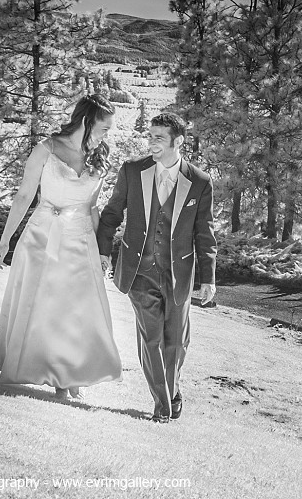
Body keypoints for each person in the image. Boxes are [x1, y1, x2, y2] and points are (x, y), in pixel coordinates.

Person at [0, 94, 122, 400]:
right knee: (44, 306)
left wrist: (103, 252)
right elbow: (24, 196)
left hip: (81, 239)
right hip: (42, 237)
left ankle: (70, 375)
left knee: (77, 310)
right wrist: (4, 240)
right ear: (86, 122)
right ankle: (51, 374)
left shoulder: (99, 157)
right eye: (103, 129)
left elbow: (93, 208)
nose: (105, 136)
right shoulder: (46, 148)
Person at [97, 112, 217, 423]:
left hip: (178, 273)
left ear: (178, 142)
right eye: (149, 136)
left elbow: (205, 233)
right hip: (138, 271)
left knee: (175, 341)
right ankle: (163, 406)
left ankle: (172, 390)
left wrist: (209, 278)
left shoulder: (200, 182)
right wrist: (102, 252)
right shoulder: (133, 170)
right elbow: (111, 214)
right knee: (151, 338)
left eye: (158, 138)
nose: (151, 142)